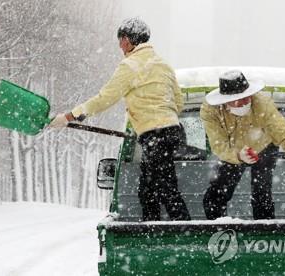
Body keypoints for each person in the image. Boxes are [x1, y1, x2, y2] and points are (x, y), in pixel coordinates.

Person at [49, 18, 191, 221]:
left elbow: (105, 97)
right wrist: (162, 117)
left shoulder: (131, 65)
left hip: (155, 134)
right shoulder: (163, 65)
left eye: (121, 40)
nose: (119, 46)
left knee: (165, 188)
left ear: (128, 40)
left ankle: (184, 233)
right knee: (149, 188)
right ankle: (151, 230)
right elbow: (178, 102)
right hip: (172, 131)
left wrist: (70, 116)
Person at [200, 70, 285, 220]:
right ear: (224, 100)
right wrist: (238, 155)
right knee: (216, 195)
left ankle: (264, 231)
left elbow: (282, 130)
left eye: (246, 98)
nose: (243, 103)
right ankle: (219, 232)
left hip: (264, 147)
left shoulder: (262, 103)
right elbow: (218, 144)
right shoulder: (210, 110)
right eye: (237, 100)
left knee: (262, 193)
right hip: (233, 151)